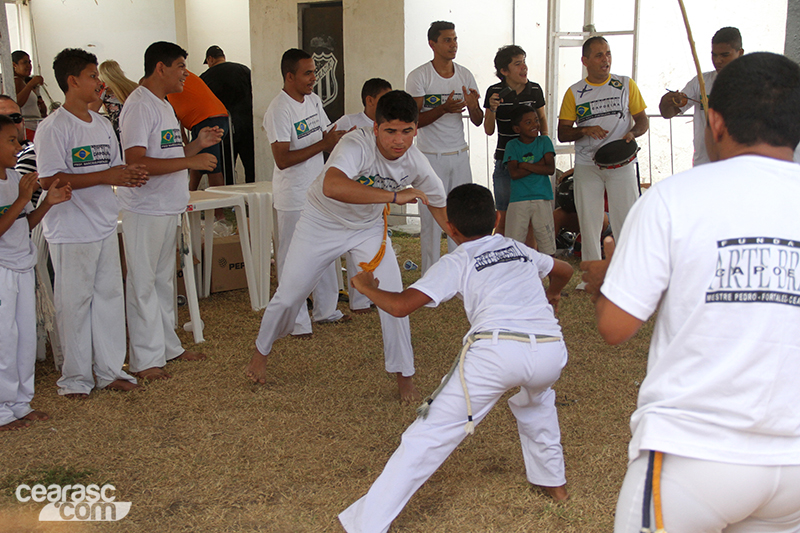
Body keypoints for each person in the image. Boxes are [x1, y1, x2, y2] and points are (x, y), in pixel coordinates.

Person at [581, 52, 800, 533]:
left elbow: (616, 327)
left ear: (715, 121)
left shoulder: (673, 199)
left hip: (694, 454)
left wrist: (606, 278)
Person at [339, 183, 573, 532]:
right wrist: (552, 294)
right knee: (537, 403)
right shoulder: (517, 248)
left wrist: (367, 288)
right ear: (496, 218)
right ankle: (555, 485)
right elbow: (564, 270)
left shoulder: (458, 259)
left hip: (498, 350)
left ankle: (366, 524)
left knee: (427, 435)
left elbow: (401, 306)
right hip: (551, 350)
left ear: (450, 228)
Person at [246, 90, 449, 403]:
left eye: (407, 131)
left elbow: (438, 204)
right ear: (375, 128)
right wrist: (395, 196)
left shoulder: (415, 161)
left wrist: (467, 244)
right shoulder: (356, 144)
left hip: (366, 230)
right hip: (321, 222)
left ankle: (404, 376)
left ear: (415, 130)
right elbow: (332, 185)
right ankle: (262, 349)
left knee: (394, 297)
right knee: (289, 295)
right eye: (391, 131)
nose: (399, 140)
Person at [35, 48, 147, 398]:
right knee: (75, 303)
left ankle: (110, 369)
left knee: (109, 297)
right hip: (70, 228)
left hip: (101, 222)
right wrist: (105, 176)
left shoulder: (101, 123)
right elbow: (48, 179)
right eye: (93, 76)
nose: (100, 83)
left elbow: (113, 168)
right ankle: (75, 378)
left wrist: (128, 176)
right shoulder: (53, 127)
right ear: (73, 82)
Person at [118, 41, 222, 380]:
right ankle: (145, 359)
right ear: (159, 68)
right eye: (179, 66)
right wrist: (191, 160)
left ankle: (166, 347)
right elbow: (136, 161)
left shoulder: (164, 105)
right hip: (146, 208)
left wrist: (197, 144)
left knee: (163, 281)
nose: (185, 74)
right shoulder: (139, 105)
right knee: (144, 283)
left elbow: (166, 156)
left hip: (166, 206)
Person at [263, 48, 349, 337]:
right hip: (292, 197)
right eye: (308, 73)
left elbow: (326, 134)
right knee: (291, 259)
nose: (314, 77)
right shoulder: (279, 109)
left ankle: (327, 310)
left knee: (324, 250)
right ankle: (296, 322)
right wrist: (323, 146)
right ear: (290, 76)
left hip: (317, 192)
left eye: (314, 71)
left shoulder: (313, 100)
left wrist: (345, 138)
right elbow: (282, 159)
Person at [557, 36, 648, 288]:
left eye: (607, 53)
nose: (605, 59)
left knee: (626, 219)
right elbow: (563, 132)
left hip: (622, 164)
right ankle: (591, 277)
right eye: (598, 55)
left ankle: (629, 276)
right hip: (588, 165)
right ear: (585, 60)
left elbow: (642, 121)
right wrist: (585, 130)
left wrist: (633, 133)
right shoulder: (574, 92)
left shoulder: (625, 85)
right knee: (589, 221)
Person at [0, 114, 72, 430]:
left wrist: (47, 203)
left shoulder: (16, 178)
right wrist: (19, 200)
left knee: (24, 339)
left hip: (22, 266)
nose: (19, 146)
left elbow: (24, 224)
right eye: (11, 140)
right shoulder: (15, 187)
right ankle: (2, 410)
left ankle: (20, 402)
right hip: (2, 272)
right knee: (4, 341)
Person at [406, 21, 483, 274]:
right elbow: (412, 121)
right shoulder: (419, 76)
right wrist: (442, 110)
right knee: (430, 220)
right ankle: (431, 275)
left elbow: (478, 120)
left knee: (462, 217)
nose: (453, 45)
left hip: (459, 155)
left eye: (455, 39)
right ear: (432, 44)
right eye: (447, 40)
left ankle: (459, 274)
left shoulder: (465, 74)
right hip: (429, 157)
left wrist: (473, 106)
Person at [333, 78, 393, 314]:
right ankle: (357, 301)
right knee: (350, 246)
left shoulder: (387, 123)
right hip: (350, 194)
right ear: (369, 100)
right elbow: (329, 142)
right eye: (383, 98)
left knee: (375, 244)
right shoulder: (349, 121)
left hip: (375, 195)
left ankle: (374, 296)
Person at [484, 45, 548, 237]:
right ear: (504, 71)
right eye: (518, 64)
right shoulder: (494, 91)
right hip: (505, 161)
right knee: (503, 218)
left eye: (524, 62)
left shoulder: (534, 90)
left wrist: (544, 145)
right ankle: (503, 263)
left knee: (530, 220)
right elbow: (488, 130)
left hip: (532, 161)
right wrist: (492, 109)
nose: (524, 68)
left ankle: (531, 264)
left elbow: (542, 118)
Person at [660, 27, 744, 166]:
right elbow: (668, 113)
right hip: (704, 164)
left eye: (725, 55)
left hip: (738, 164)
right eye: (714, 55)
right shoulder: (701, 82)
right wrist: (668, 101)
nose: (718, 61)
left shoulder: (753, 84)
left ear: (740, 53)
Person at [503, 105, 556, 254]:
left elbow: (550, 169)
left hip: (542, 197)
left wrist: (525, 165)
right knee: (513, 246)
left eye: (536, 120)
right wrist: (539, 164)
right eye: (528, 122)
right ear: (517, 129)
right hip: (518, 199)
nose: (535, 125)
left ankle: (550, 276)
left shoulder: (544, 141)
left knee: (547, 245)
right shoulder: (512, 145)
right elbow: (514, 173)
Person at [167, 71, 229, 196]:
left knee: (212, 166)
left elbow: (174, 122)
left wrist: (184, 144)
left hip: (207, 119)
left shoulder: (171, 79)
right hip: (209, 118)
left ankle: (219, 212)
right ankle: (190, 195)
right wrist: (187, 144)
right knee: (196, 161)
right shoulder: (175, 80)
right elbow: (175, 121)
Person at [200, 45, 255, 184]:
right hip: (248, 127)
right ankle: (253, 201)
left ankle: (231, 202)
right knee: (251, 168)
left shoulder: (206, 77)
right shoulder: (244, 70)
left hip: (223, 130)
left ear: (210, 59)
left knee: (227, 169)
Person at [98, 60, 140, 140]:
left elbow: (92, 110)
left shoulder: (105, 90)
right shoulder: (134, 86)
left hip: (118, 131)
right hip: (137, 127)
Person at [12, 51, 47, 140]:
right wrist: (30, 85)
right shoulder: (16, 81)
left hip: (34, 127)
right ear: (14, 65)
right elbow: (16, 104)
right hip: (26, 129)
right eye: (24, 62)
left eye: (29, 62)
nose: (29, 65)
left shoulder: (23, 82)